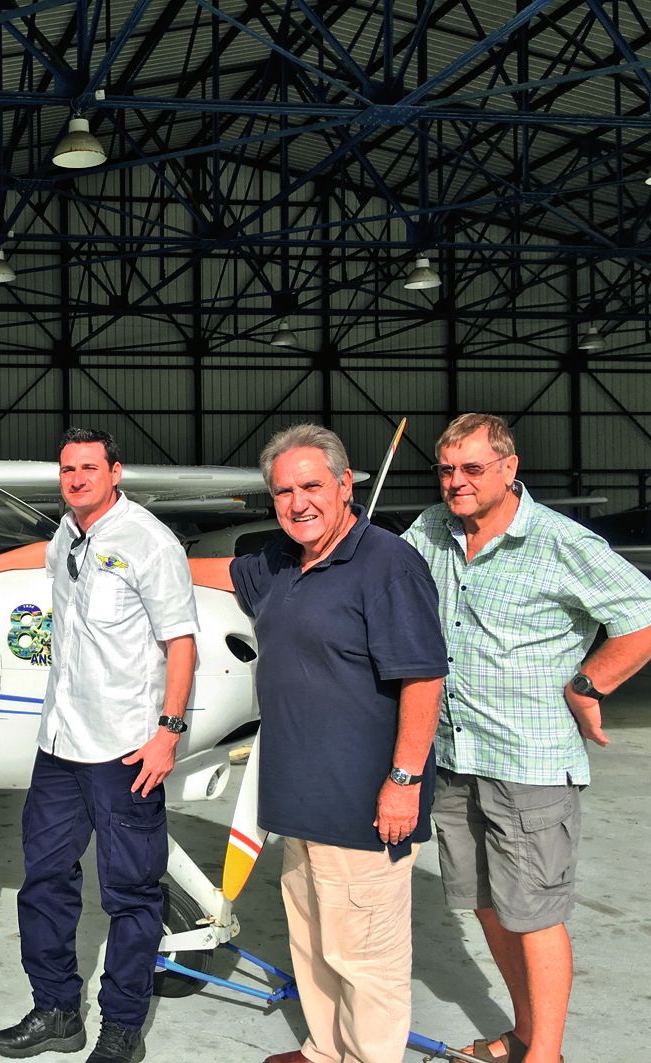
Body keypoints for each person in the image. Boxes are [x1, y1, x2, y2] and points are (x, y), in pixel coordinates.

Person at [401, 414, 651, 1063]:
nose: (456, 481)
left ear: (508, 468)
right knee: (486, 905)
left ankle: (545, 1055)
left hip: (528, 761)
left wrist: (589, 683)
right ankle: (525, 1034)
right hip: (455, 752)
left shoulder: (560, 541)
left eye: (472, 468)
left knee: (534, 913)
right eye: (446, 469)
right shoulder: (431, 529)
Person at [0, 427, 198, 1063]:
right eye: (67, 470)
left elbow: (181, 642)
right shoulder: (69, 533)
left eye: (88, 468)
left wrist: (168, 733)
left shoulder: (149, 542)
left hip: (124, 748)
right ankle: (55, 1011)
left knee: (131, 894)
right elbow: (42, 553)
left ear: (115, 472)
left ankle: (122, 1028)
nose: (76, 479)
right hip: (59, 745)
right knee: (45, 881)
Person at [189, 424, 448, 1063]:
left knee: (365, 957)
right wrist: (99, 555)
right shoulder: (279, 562)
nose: (298, 502)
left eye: (311, 486)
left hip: (363, 805)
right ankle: (325, 1049)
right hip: (298, 801)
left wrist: (404, 781)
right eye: (283, 491)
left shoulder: (388, 564)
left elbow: (423, 678)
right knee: (313, 940)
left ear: (344, 484)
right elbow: (193, 570)